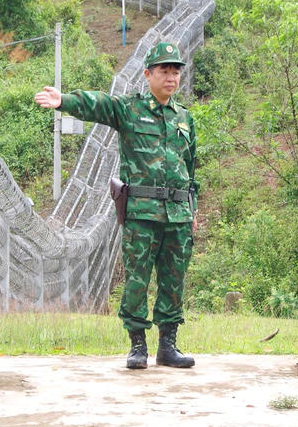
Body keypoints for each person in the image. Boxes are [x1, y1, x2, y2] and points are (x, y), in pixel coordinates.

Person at [35, 42, 198, 370]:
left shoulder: (184, 118)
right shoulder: (130, 109)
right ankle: (138, 344)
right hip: (142, 212)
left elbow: (190, 166)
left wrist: (192, 208)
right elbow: (98, 104)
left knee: (173, 279)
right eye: (164, 71)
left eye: (175, 71)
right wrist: (63, 101)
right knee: (137, 278)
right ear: (148, 74)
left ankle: (168, 345)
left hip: (178, 214)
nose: (171, 77)